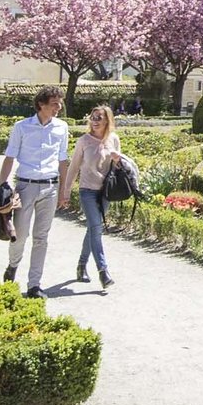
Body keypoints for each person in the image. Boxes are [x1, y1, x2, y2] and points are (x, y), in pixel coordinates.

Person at [0, 86, 70, 299]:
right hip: (25, 186)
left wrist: (64, 190)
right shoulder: (22, 127)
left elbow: (63, 160)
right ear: (41, 104)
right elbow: (10, 157)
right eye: (55, 103)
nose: (59, 107)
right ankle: (13, 265)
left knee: (41, 237)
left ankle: (34, 285)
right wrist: (2, 186)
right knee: (19, 235)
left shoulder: (62, 128)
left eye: (60, 103)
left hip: (50, 187)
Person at [60, 104, 123, 289]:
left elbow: (118, 168)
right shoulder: (84, 141)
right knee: (96, 227)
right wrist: (65, 192)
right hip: (87, 190)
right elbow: (73, 168)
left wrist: (117, 159)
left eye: (99, 118)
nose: (94, 121)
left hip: (106, 191)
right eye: (92, 117)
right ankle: (103, 271)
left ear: (107, 121)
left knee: (93, 229)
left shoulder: (113, 139)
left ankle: (81, 265)